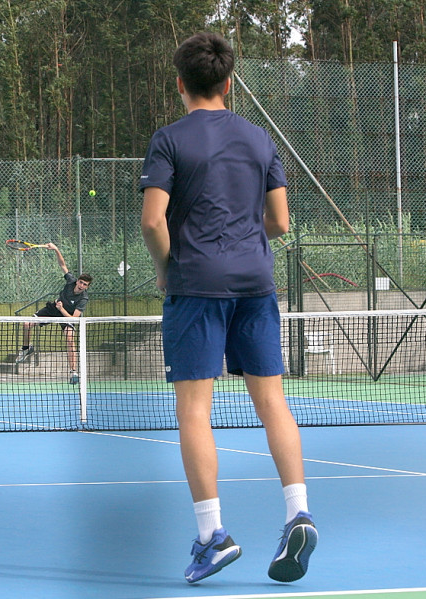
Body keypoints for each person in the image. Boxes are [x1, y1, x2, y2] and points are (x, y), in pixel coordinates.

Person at [139, 32, 316, 584]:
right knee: (273, 404)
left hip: (196, 287)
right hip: (256, 286)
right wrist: (242, 240)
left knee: (194, 412)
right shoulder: (261, 139)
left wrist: (171, 267)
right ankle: (298, 514)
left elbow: (152, 221)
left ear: (180, 84)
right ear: (229, 83)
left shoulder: (169, 140)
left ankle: (213, 536)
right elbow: (281, 222)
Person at [15, 243, 92, 384]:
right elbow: (62, 264)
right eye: (80, 282)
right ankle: (27, 349)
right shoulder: (70, 281)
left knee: (69, 338)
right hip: (53, 310)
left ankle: (73, 372)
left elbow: (74, 319)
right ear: (77, 282)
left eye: (85, 285)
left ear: (87, 287)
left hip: (67, 315)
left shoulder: (83, 298)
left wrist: (62, 309)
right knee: (26, 324)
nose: (81, 286)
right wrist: (56, 249)